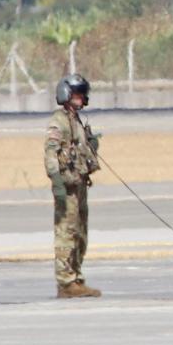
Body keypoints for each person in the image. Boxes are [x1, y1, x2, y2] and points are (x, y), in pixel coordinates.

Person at [45, 75, 102, 297]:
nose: (81, 98)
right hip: (66, 187)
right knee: (65, 233)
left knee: (80, 232)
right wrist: (57, 183)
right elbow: (51, 154)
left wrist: (92, 146)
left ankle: (76, 277)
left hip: (79, 184)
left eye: (82, 94)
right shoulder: (58, 122)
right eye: (77, 93)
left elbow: (79, 150)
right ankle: (65, 282)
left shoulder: (76, 120)